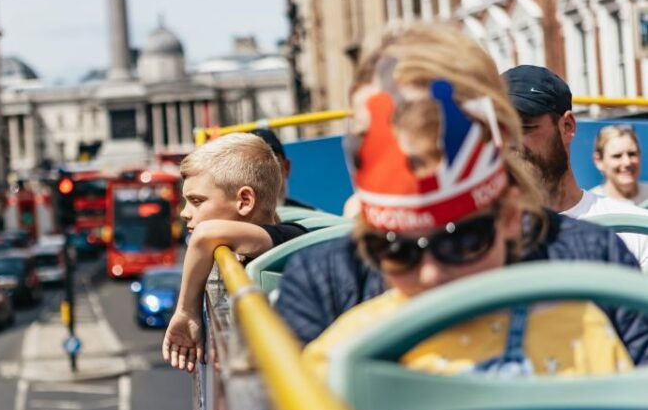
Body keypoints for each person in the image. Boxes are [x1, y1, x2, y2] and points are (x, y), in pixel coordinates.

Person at [274, 25, 648, 365]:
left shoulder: (593, 261)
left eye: (465, 240)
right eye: (395, 248)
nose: (432, 273)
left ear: (509, 214)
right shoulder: (322, 284)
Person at [162, 132, 308, 372]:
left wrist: (186, 312)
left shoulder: (291, 237)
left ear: (244, 201)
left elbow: (203, 235)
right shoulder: (243, 245)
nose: (184, 213)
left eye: (197, 201)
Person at [502, 65, 648, 270]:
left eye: (525, 126)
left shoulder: (636, 228)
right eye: (500, 128)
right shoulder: (481, 244)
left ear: (567, 126)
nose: (510, 142)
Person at [591, 124, 648, 206]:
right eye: (617, 156)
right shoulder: (592, 205)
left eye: (632, 154)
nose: (627, 162)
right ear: (599, 161)